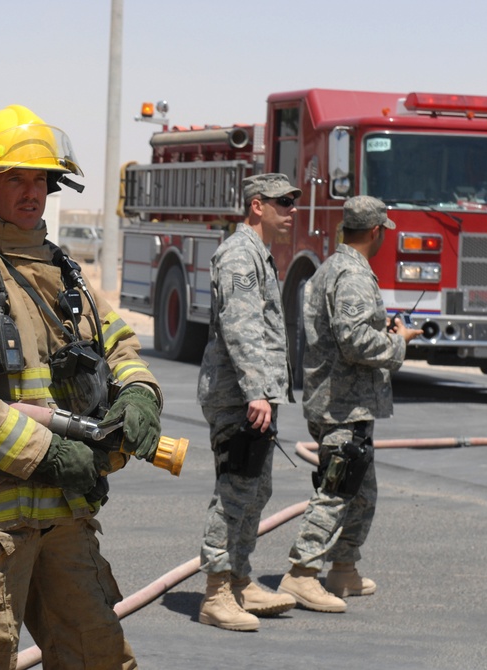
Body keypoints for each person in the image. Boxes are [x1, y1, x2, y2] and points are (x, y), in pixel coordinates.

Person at [0, 104, 163, 669]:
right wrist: (47, 452)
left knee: (98, 655)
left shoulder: (63, 270)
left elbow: (117, 343)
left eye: (41, 180)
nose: (32, 193)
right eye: (15, 179)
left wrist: (140, 391)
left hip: (65, 518)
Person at [277, 195, 421, 612]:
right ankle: (302, 574)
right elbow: (354, 340)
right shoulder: (352, 275)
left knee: (361, 493)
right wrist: (398, 342)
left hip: (346, 403)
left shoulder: (334, 268)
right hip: (341, 405)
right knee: (337, 491)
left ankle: (343, 569)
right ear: (375, 232)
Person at [195, 173, 300, 631]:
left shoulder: (258, 253)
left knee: (257, 490)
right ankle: (216, 592)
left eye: (293, 203)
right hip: (237, 395)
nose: (291, 211)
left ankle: (239, 578)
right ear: (257, 206)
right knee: (235, 492)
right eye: (282, 203)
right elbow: (241, 327)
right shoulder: (240, 254)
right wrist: (257, 391)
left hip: (255, 394)